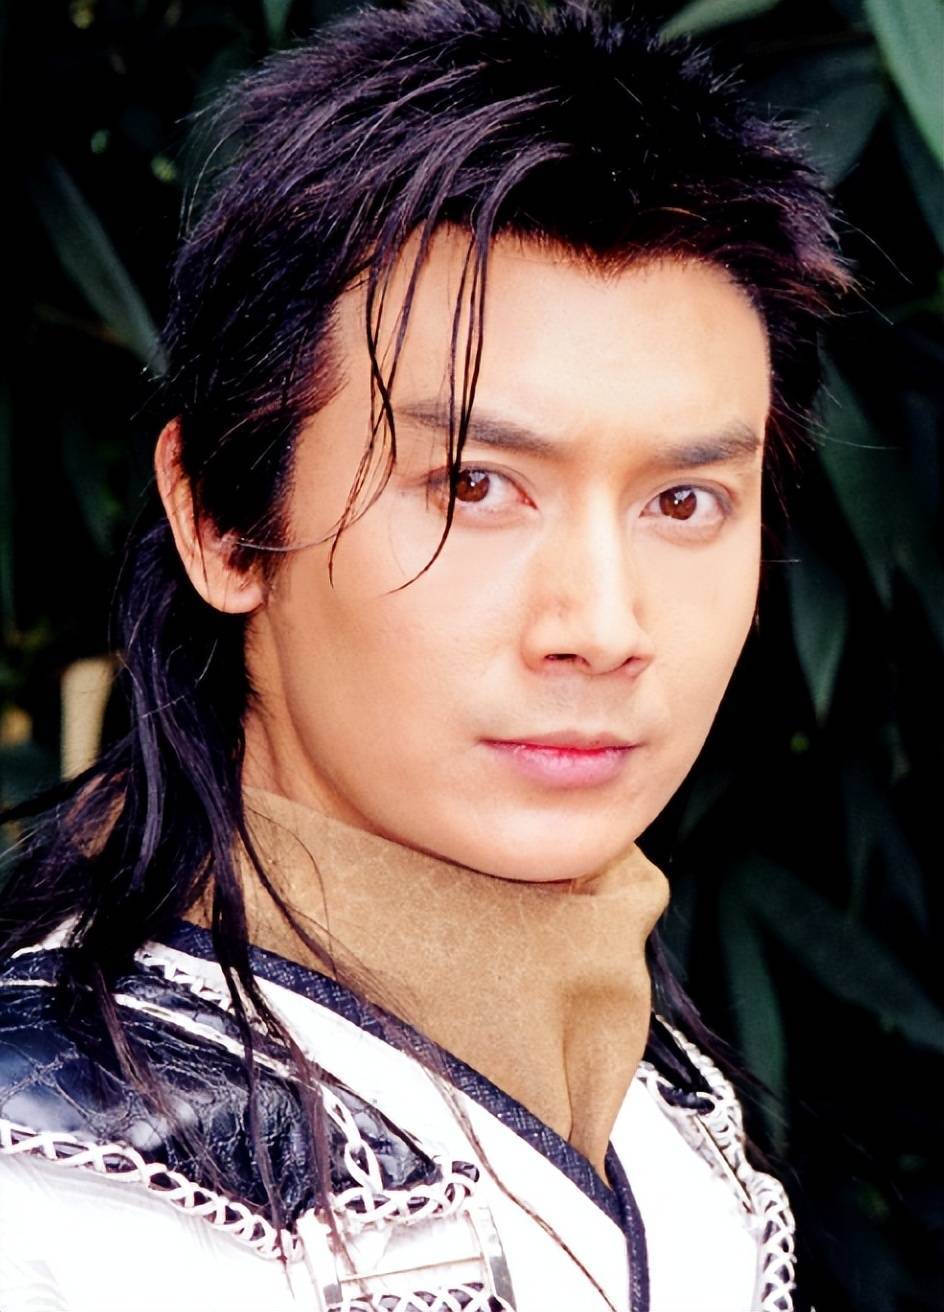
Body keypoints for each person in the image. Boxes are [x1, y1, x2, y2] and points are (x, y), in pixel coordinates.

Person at [0, 1, 854, 1308]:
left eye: (684, 502)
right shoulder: (56, 1200)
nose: (603, 628)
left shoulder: (666, 1120)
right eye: (472, 486)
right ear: (221, 519)